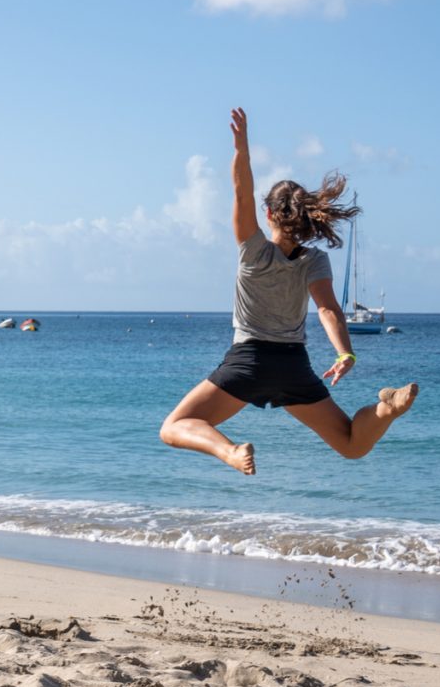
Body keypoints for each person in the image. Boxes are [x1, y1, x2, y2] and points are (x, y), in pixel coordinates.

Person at [159, 108, 417, 475]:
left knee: (172, 427)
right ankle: (386, 408)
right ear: (306, 218)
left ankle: (230, 452)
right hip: (293, 366)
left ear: (269, 215)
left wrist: (242, 149)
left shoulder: (253, 249)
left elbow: (240, 189)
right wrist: (345, 353)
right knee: (352, 444)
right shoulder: (315, 261)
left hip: (248, 363)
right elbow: (328, 309)